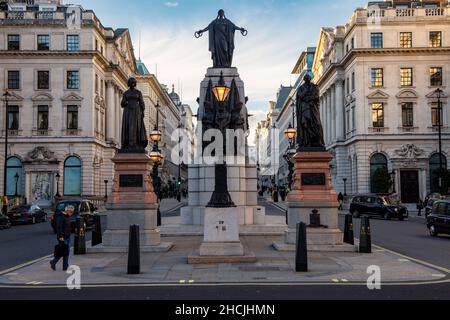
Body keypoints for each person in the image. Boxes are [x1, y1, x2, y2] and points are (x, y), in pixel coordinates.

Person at [50, 205, 74, 271]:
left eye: (72, 211)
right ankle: (55, 262)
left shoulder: (67, 217)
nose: (71, 213)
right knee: (63, 252)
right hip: (63, 237)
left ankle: (64, 266)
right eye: (70, 211)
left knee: (65, 252)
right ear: (67, 210)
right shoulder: (61, 217)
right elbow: (59, 228)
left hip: (67, 236)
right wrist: (61, 236)